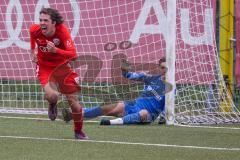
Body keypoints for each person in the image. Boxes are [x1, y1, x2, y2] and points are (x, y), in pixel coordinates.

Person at [29, 7, 88, 139]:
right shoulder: (35, 29)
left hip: (62, 68)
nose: (42, 23)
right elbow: (32, 35)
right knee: (52, 95)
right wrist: (32, 51)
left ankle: (78, 132)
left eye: (46, 20)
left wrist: (56, 50)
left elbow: (73, 55)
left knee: (75, 104)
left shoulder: (62, 32)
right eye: (40, 20)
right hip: (45, 67)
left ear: (54, 22)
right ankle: (52, 103)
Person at [62, 57, 172, 125]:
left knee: (143, 113)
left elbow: (165, 110)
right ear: (159, 68)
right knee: (108, 107)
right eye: (162, 68)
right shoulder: (151, 78)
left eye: (167, 68)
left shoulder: (171, 88)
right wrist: (124, 70)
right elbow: (128, 75)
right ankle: (74, 115)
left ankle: (112, 123)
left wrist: (161, 117)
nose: (164, 71)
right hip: (133, 106)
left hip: (148, 115)